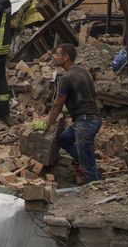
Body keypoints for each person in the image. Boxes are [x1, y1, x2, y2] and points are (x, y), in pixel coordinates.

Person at [33, 43, 102, 182]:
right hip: (92, 119)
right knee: (64, 139)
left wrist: (48, 123)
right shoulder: (84, 71)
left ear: (66, 57)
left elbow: (57, 104)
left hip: (85, 122)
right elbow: (87, 94)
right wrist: (70, 106)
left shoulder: (66, 78)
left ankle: (95, 185)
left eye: (58, 54)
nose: (55, 57)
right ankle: (88, 162)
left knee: (87, 164)